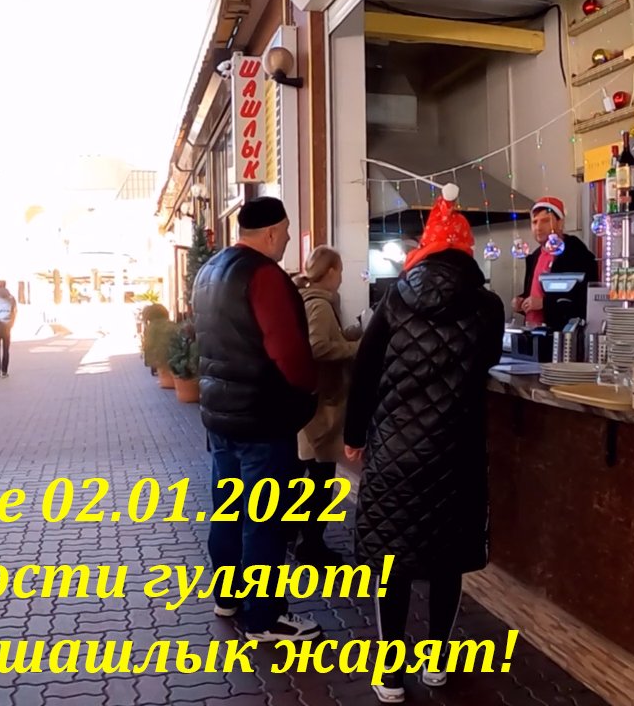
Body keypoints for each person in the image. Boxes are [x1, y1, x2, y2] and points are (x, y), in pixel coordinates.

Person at [342, 186, 504, 703]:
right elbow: (487, 362)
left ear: (425, 249)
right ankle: (435, 664)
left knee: (392, 564)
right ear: (466, 251)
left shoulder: (395, 298)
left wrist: (353, 435)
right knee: (446, 561)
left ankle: (390, 674)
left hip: (395, 450)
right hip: (456, 455)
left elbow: (365, 369)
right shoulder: (488, 305)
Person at [192, 196, 321, 642]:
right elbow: (288, 353)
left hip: (220, 416)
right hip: (263, 419)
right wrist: (309, 389)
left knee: (228, 511)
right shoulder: (264, 276)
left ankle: (228, 598)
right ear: (270, 233)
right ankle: (264, 618)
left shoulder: (209, 272)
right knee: (264, 520)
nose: (287, 239)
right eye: (285, 232)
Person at [291, 246, 362, 567]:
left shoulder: (305, 298)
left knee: (308, 477)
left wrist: (347, 334)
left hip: (311, 401)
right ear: (330, 271)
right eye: (341, 270)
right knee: (320, 480)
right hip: (322, 405)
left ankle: (299, 538)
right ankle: (311, 546)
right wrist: (356, 347)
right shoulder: (319, 303)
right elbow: (317, 346)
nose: (342, 277)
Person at [513, 197, 597, 330]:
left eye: (546, 221)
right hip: (533, 333)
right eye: (534, 222)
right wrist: (522, 301)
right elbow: (537, 294)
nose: (538, 227)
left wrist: (544, 304)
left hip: (563, 335)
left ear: (560, 223)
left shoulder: (576, 253)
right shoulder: (534, 257)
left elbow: (583, 300)